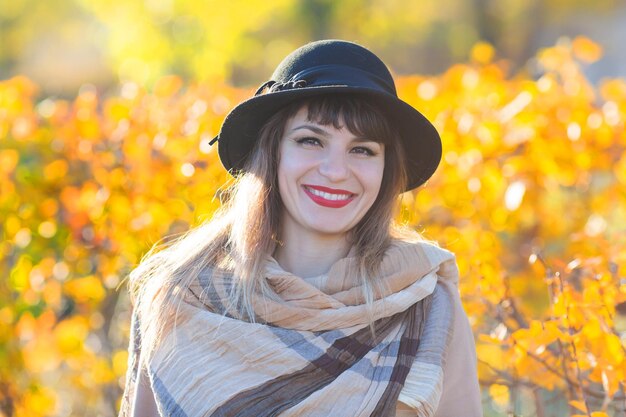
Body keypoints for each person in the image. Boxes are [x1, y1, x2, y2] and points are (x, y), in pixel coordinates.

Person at [119, 40, 482, 417]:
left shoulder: (425, 305)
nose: (335, 170)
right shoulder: (182, 297)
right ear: (272, 152)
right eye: (310, 140)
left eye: (363, 150)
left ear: (386, 169)